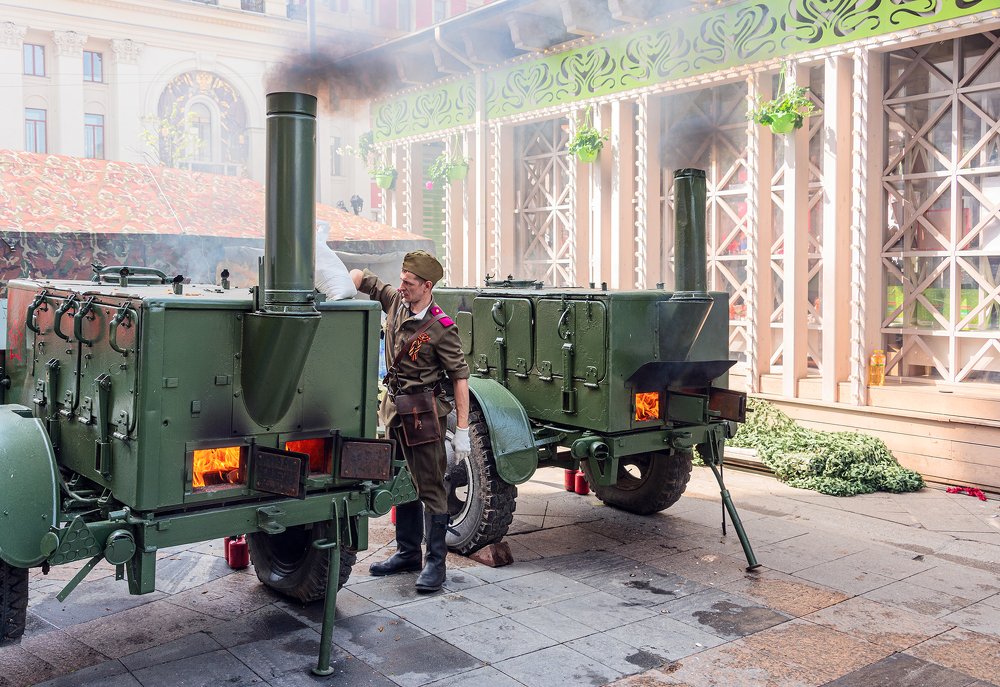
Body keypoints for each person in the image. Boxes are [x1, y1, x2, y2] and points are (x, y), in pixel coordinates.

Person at [350, 251, 470, 593]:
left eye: (409, 282)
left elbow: (460, 377)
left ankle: (436, 563)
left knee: (431, 487)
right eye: (401, 278)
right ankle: (406, 553)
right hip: (393, 409)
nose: (401, 286)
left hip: (423, 414)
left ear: (427, 287)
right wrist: (344, 284)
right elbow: (363, 278)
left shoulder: (442, 328)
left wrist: (461, 431)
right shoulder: (397, 303)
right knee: (399, 479)